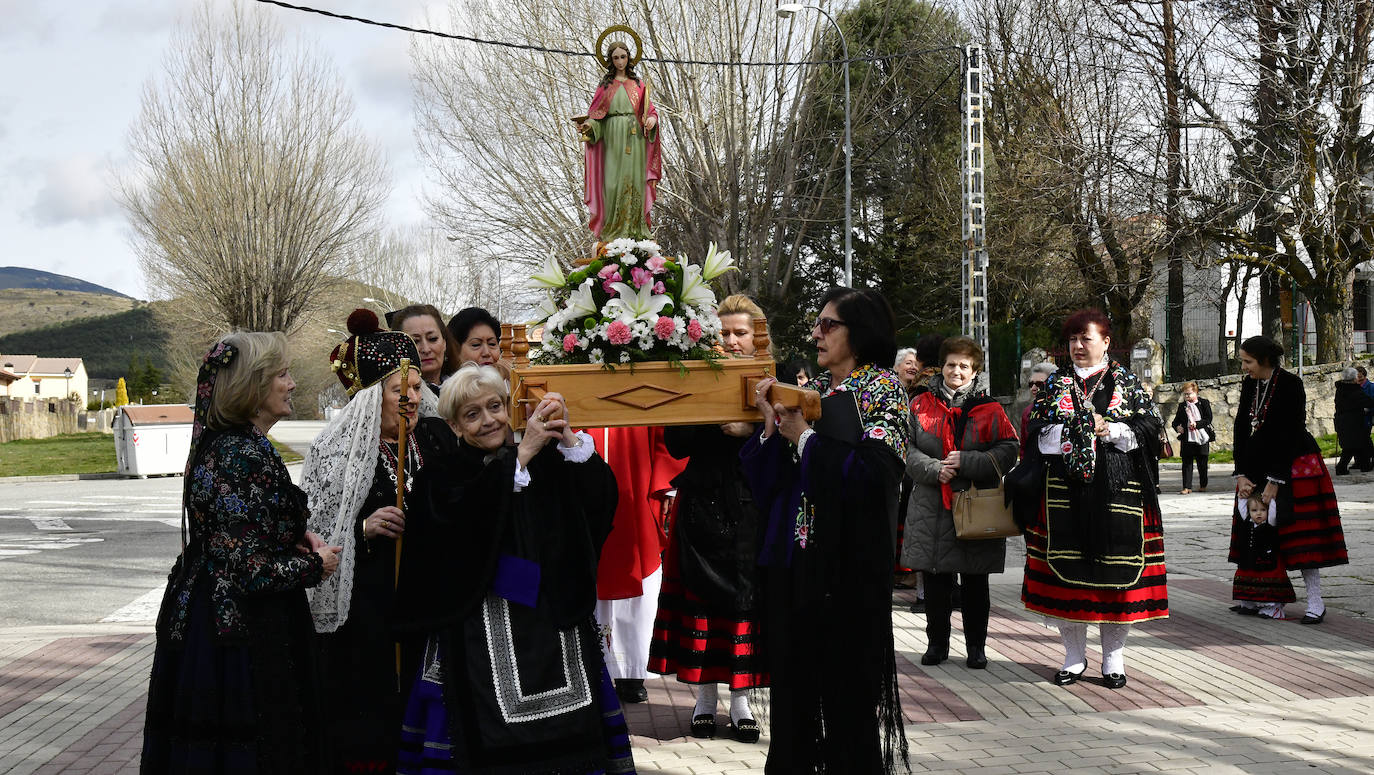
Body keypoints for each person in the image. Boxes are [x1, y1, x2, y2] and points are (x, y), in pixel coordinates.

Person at [391, 364, 635, 774]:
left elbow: (598, 506)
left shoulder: (546, 461)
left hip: (553, 624)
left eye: (494, 407)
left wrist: (570, 440)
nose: (488, 420)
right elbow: (463, 526)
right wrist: (519, 457)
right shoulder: (441, 475)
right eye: (472, 414)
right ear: (453, 425)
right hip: (478, 635)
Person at [142, 332, 340, 774]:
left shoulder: (230, 445)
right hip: (240, 632)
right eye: (282, 375)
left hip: (210, 618)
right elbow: (250, 570)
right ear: (253, 387)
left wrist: (295, 537)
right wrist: (316, 565)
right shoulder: (240, 453)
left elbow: (241, 532)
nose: (291, 384)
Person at [742, 287, 910, 774]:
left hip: (847, 575)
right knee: (793, 703)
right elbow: (770, 486)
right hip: (794, 569)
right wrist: (770, 430)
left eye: (828, 324)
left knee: (847, 708)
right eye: (817, 323)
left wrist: (807, 439)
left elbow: (877, 475)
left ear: (859, 335)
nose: (816, 332)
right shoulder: (814, 392)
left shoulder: (882, 390)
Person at [301, 309, 447, 775]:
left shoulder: (435, 437)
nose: (410, 397)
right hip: (367, 613)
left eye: (418, 387)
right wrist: (362, 529)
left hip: (426, 604)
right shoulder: (334, 450)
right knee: (372, 717)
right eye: (396, 388)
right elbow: (317, 531)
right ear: (369, 398)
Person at [1022, 310, 1168, 690]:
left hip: (1119, 492)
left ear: (1105, 341)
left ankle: (1113, 659)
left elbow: (1149, 429)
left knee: (1113, 577)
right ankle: (1073, 657)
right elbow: (1037, 432)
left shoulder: (1127, 381)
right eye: (1072, 339)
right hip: (1063, 494)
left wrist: (1110, 429)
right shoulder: (1056, 383)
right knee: (1068, 580)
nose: (1077, 346)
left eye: (1085, 338)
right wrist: (1074, 431)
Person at [648, 295, 769, 744]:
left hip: (749, 511)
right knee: (701, 606)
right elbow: (676, 444)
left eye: (741, 333)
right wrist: (707, 412)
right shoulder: (691, 375)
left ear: (757, 336)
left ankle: (740, 705)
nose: (732, 341)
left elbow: (789, 450)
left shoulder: (771, 382)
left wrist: (753, 429)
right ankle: (703, 700)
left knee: (742, 607)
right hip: (699, 510)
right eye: (724, 333)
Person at [903, 336, 1018, 670]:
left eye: (964, 366)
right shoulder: (919, 405)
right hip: (931, 505)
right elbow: (904, 447)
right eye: (951, 364)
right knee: (936, 582)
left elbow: (1009, 449)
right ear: (943, 366)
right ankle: (936, 644)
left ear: (974, 370)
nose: (956, 371)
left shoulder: (990, 409)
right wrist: (934, 468)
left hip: (974, 505)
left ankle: (976, 648)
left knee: (974, 583)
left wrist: (967, 462)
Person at [1231, 335, 1348, 624]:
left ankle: (1315, 601)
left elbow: (1289, 433)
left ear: (1264, 360)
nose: (1244, 367)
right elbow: (1241, 427)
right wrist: (1242, 473)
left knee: (1301, 538)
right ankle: (1258, 596)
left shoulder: (1290, 385)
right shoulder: (1251, 384)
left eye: (1248, 361)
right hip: (1258, 463)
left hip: (1293, 464)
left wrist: (1275, 480)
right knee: (1256, 530)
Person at [591, 425, 686, 703]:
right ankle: (594, 669)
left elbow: (663, 433)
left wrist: (666, 490)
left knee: (637, 566)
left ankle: (631, 672)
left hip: (635, 486)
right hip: (585, 493)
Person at [580, 40, 660, 242]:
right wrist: (589, 126)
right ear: (610, 60)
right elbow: (596, 116)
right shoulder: (605, 86)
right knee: (613, 184)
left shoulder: (639, 85)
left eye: (623, 57)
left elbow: (649, 111)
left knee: (634, 183)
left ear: (629, 58)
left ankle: (635, 230)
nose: (620, 61)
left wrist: (651, 119)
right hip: (612, 138)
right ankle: (613, 231)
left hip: (635, 139)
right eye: (615, 58)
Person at [1229, 492, 1292, 618]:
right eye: (1254, 510)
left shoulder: (1271, 522)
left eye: (1263, 510)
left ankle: (1274, 608)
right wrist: (1242, 492)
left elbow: (1273, 509)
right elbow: (1242, 506)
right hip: (1249, 560)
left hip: (1268, 560)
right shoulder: (1247, 520)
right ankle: (1250, 603)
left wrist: (1271, 497)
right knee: (1248, 578)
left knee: (1268, 582)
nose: (1258, 513)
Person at [892, 346, 921, 594]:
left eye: (915, 363)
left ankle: (909, 574)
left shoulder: (917, 392)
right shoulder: (892, 389)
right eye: (907, 363)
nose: (912, 367)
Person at [392, 304, 462, 389]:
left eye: (432, 339)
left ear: (445, 343)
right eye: (415, 341)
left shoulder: (466, 389)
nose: (426, 349)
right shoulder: (390, 398)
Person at [1171, 382, 1214, 493]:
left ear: (1196, 392)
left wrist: (1197, 424)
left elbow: (1208, 419)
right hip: (1187, 438)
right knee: (1187, 463)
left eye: (1189, 394)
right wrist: (1178, 427)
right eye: (1185, 394)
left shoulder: (1203, 403)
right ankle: (1187, 487)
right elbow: (1175, 421)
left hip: (1201, 437)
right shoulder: (1182, 406)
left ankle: (1203, 485)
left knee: (1202, 463)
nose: (1187, 396)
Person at [1333, 367, 1374, 474]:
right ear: (1353, 378)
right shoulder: (1354, 390)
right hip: (1354, 423)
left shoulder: (1340, 389)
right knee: (1353, 446)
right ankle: (1342, 467)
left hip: (1342, 421)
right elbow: (1368, 402)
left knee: (1361, 444)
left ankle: (1365, 465)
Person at [1020, 362, 1057, 458]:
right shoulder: (1027, 412)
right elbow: (1024, 448)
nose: (1033, 388)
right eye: (1031, 384)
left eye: (1039, 384)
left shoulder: (1066, 410)